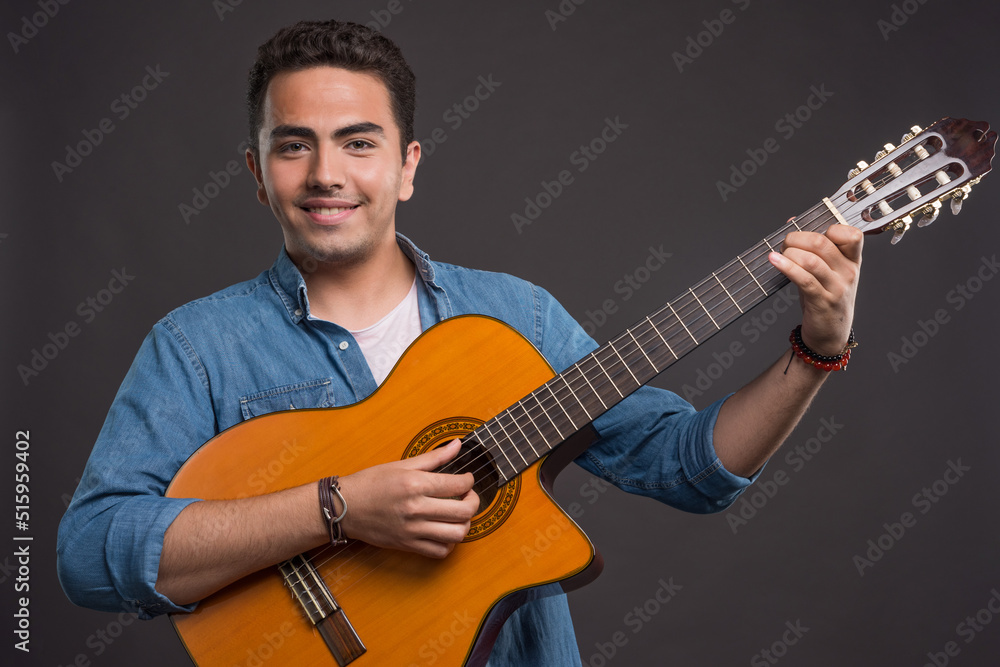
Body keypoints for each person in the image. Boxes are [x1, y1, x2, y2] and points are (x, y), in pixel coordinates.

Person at [56, 18, 862, 666]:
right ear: (257, 173)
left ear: (407, 166)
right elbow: (89, 554)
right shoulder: (197, 344)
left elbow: (686, 465)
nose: (325, 173)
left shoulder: (519, 319)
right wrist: (336, 508)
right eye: (293, 144)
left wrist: (814, 351)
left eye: (359, 141)